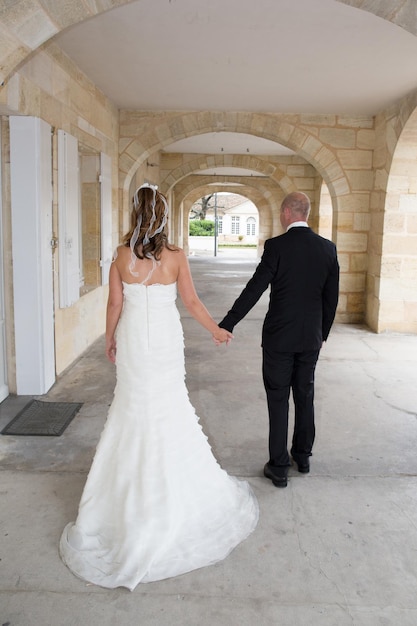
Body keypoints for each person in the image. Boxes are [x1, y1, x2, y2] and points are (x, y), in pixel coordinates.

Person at [59, 183, 258, 590]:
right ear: (164, 216)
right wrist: (217, 331)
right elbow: (192, 303)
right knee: (169, 405)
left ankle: (125, 493)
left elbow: (114, 304)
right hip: (165, 340)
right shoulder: (176, 256)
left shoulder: (120, 256)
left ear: (135, 213)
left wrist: (110, 336)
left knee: (132, 405)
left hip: (134, 338)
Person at [219, 192, 339, 488]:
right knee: (305, 394)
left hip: (279, 338)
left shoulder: (277, 247)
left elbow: (254, 288)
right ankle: (304, 456)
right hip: (310, 337)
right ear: (306, 213)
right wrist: (321, 333)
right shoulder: (327, 249)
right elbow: (331, 299)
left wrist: (229, 322)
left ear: (287, 212)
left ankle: (279, 466)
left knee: (278, 399)